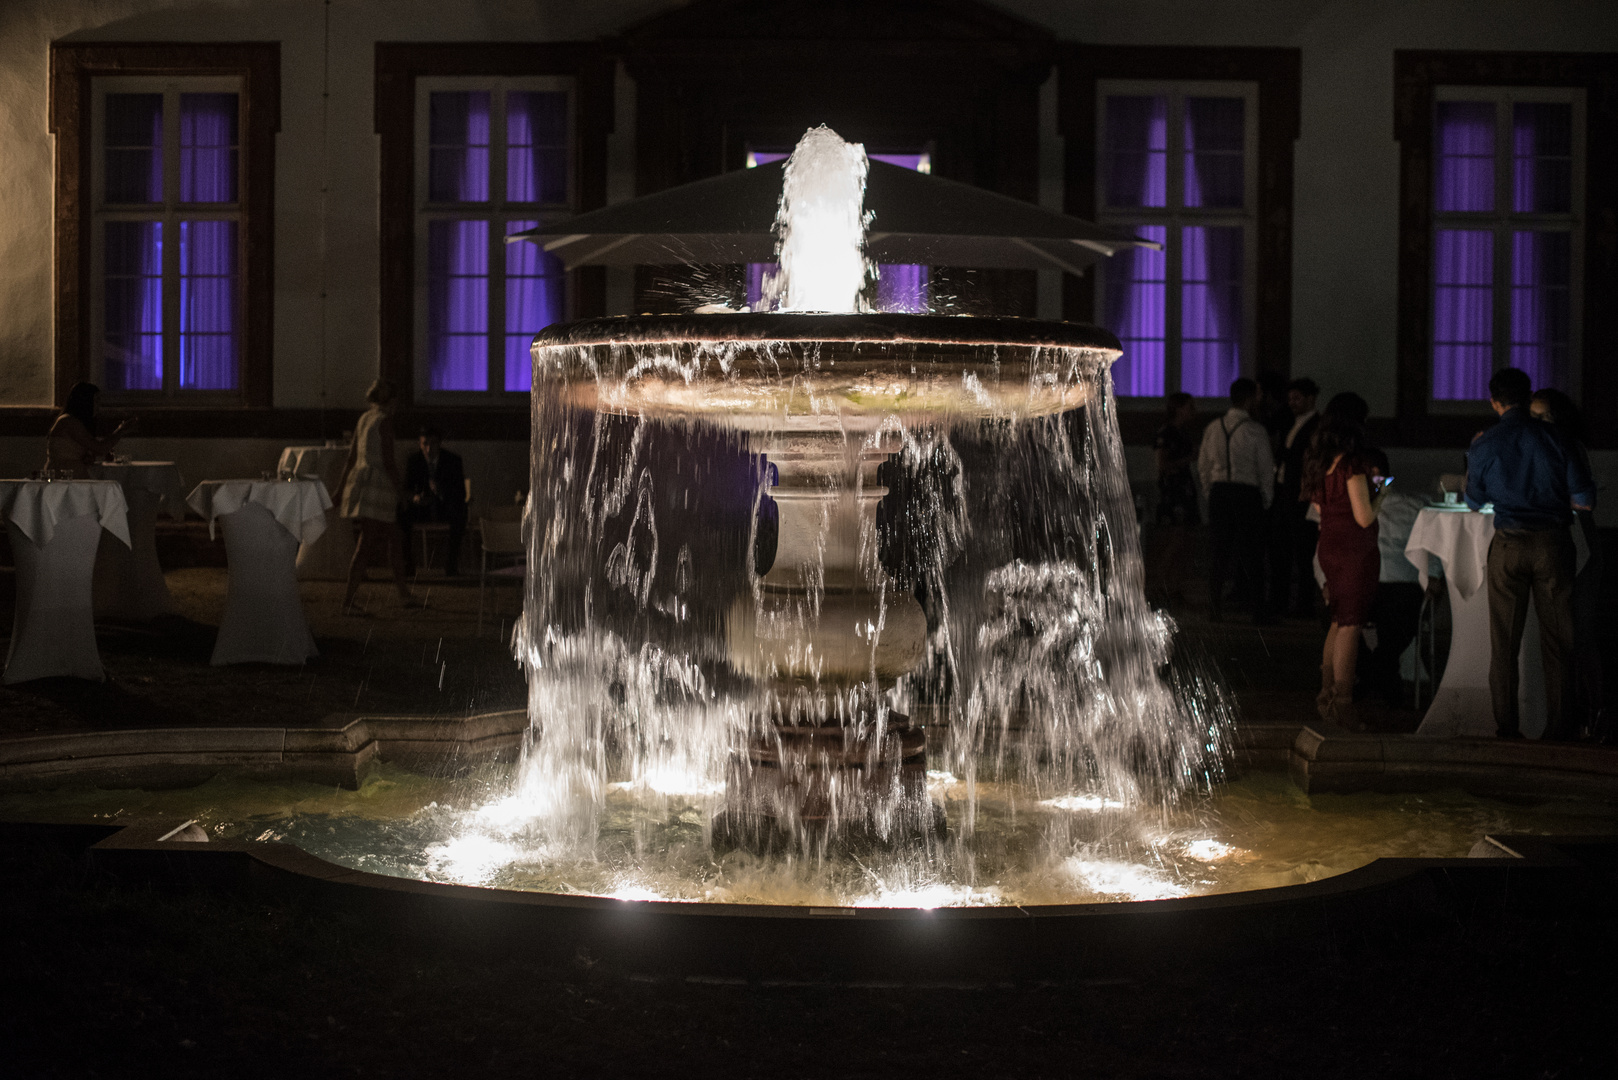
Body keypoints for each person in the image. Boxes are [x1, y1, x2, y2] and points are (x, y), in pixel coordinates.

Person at [1466, 368, 1595, 740]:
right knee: (1559, 640)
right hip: (1552, 544)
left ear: (1494, 402)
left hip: (1507, 543)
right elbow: (1585, 501)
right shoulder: (1557, 437)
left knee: (1503, 642)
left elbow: (1475, 502)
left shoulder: (1485, 444)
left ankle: (1506, 727)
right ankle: (1559, 728)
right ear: (1529, 396)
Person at [1529, 387, 1605, 740]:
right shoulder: (1542, 448)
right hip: (1560, 544)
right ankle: (1571, 714)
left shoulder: (1568, 448)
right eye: (1532, 418)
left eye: (1543, 417)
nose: (1537, 424)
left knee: (1580, 631)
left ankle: (1593, 714)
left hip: (1578, 545)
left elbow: (1582, 500)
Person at [1302, 392, 1379, 729]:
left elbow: (1319, 508)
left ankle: (1326, 697)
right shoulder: (1351, 464)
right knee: (1351, 623)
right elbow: (1364, 517)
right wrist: (1384, 491)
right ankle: (1343, 705)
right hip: (1353, 548)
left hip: (1328, 545)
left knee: (1338, 620)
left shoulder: (1319, 462)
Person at [1355, 448, 1435, 709]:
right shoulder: (1354, 509)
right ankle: (1384, 677)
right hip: (1365, 583)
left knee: (1400, 620)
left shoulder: (1413, 505)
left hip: (1402, 584)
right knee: (1339, 618)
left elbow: (1430, 544)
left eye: (1378, 475)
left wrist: (1433, 577)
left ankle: (1371, 678)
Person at [334, 379, 418, 612]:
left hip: (365, 484)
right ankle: (348, 600)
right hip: (379, 487)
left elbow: (351, 458)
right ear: (391, 401)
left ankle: (403, 593)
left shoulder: (364, 419)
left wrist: (341, 489)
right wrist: (401, 492)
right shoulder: (384, 422)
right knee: (368, 542)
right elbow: (389, 462)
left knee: (392, 538)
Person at [1197, 377, 1275, 624]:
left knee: (1219, 552)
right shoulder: (1255, 430)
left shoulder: (1213, 427)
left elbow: (1203, 465)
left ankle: (1214, 607)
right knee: (1252, 553)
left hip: (1221, 492)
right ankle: (1258, 611)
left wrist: (1211, 490)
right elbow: (1265, 469)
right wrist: (1266, 497)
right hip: (1246, 493)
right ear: (1250, 399)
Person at [1270, 377, 1322, 617]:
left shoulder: (1316, 426)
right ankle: (1285, 600)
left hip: (1298, 495)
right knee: (1284, 547)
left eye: (1297, 398)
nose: (1292, 403)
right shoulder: (1291, 423)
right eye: (1290, 398)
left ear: (1310, 399)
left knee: (1303, 551)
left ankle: (1304, 603)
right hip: (1285, 492)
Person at [1146, 393, 1200, 606]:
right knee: (1173, 542)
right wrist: (1189, 458)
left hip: (1184, 491)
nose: (1193, 410)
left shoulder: (1181, 432)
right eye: (1189, 406)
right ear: (1178, 408)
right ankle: (1160, 586)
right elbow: (1162, 465)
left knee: (1184, 542)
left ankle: (1174, 587)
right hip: (1174, 492)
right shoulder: (1166, 433)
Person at [398, 426, 468, 578]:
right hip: (422, 509)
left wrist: (440, 491)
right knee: (401, 513)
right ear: (420, 444)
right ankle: (408, 565)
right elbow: (406, 489)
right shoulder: (414, 461)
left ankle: (451, 565)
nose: (429, 449)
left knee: (461, 512)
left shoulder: (452, 461)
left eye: (433, 444)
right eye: (425, 444)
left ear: (439, 443)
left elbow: (460, 492)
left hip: (445, 507)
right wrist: (416, 498)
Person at [43, 382, 136, 478]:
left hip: (71, 473)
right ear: (85, 401)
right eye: (96, 400)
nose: (99, 405)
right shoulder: (68, 421)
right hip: (64, 475)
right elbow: (100, 449)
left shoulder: (75, 422)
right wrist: (120, 430)